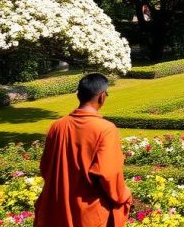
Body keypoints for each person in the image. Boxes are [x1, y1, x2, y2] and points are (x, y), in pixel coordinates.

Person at [35, 73, 133, 227]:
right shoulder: (105, 129)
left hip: (56, 209)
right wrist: (124, 195)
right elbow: (108, 175)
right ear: (102, 97)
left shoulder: (57, 126)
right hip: (87, 214)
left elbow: (45, 167)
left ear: (78, 95)